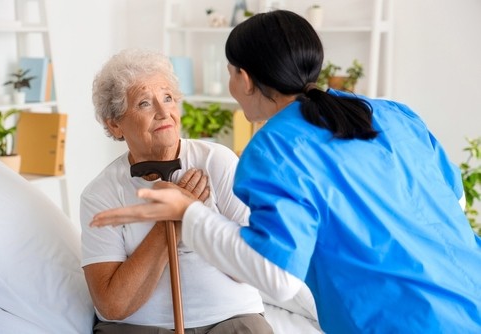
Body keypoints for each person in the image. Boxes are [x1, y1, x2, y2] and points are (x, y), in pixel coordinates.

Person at [90, 10, 481, 333]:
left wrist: (186, 213)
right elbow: (455, 201)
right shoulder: (393, 113)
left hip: (393, 321)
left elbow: (276, 276)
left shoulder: (274, 149)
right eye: (145, 103)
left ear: (242, 78)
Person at [81, 48, 273, 333]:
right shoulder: (101, 193)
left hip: (233, 319)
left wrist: (193, 216)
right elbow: (112, 305)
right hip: (138, 327)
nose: (163, 112)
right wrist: (168, 223)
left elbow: (253, 266)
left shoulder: (217, 162)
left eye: (168, 98)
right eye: (145, 103)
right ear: (115, 124)